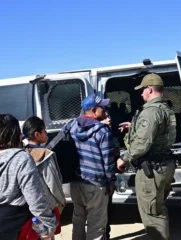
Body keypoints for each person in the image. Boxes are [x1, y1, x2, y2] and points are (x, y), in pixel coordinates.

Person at [0, 114, 57, 240]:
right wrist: (49, 224)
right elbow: (35, 198)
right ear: (16, 134)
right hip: (15, 228)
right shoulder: (21, 158)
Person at [117, 73, 177, 240]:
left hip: (152, 169)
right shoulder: (165, 109)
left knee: (152, 215)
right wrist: (134, 126)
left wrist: (124, 158)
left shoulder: (150, 112)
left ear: (150, 89)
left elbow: (142, 144)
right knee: (158, 208)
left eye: (142, 90)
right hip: (165, 165)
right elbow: (158, 133)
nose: (141, 93)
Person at [68, 91, 116, 240]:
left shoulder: (72, 125)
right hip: (95, 185)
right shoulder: (102, 132)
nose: (106, 111)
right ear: (94, 111)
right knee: (96, 224)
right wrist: (111, 182)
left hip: (76, 182)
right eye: (103, 108)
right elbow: (108, 161)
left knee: (78, 219)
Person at [22, 116, 66, 213]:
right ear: (37, 134)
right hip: (48, 205)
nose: (46, 133)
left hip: (31, 204)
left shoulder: (23, 154)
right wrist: (62, 200)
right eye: (44, 130)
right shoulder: (44, 155)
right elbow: (53, 183)